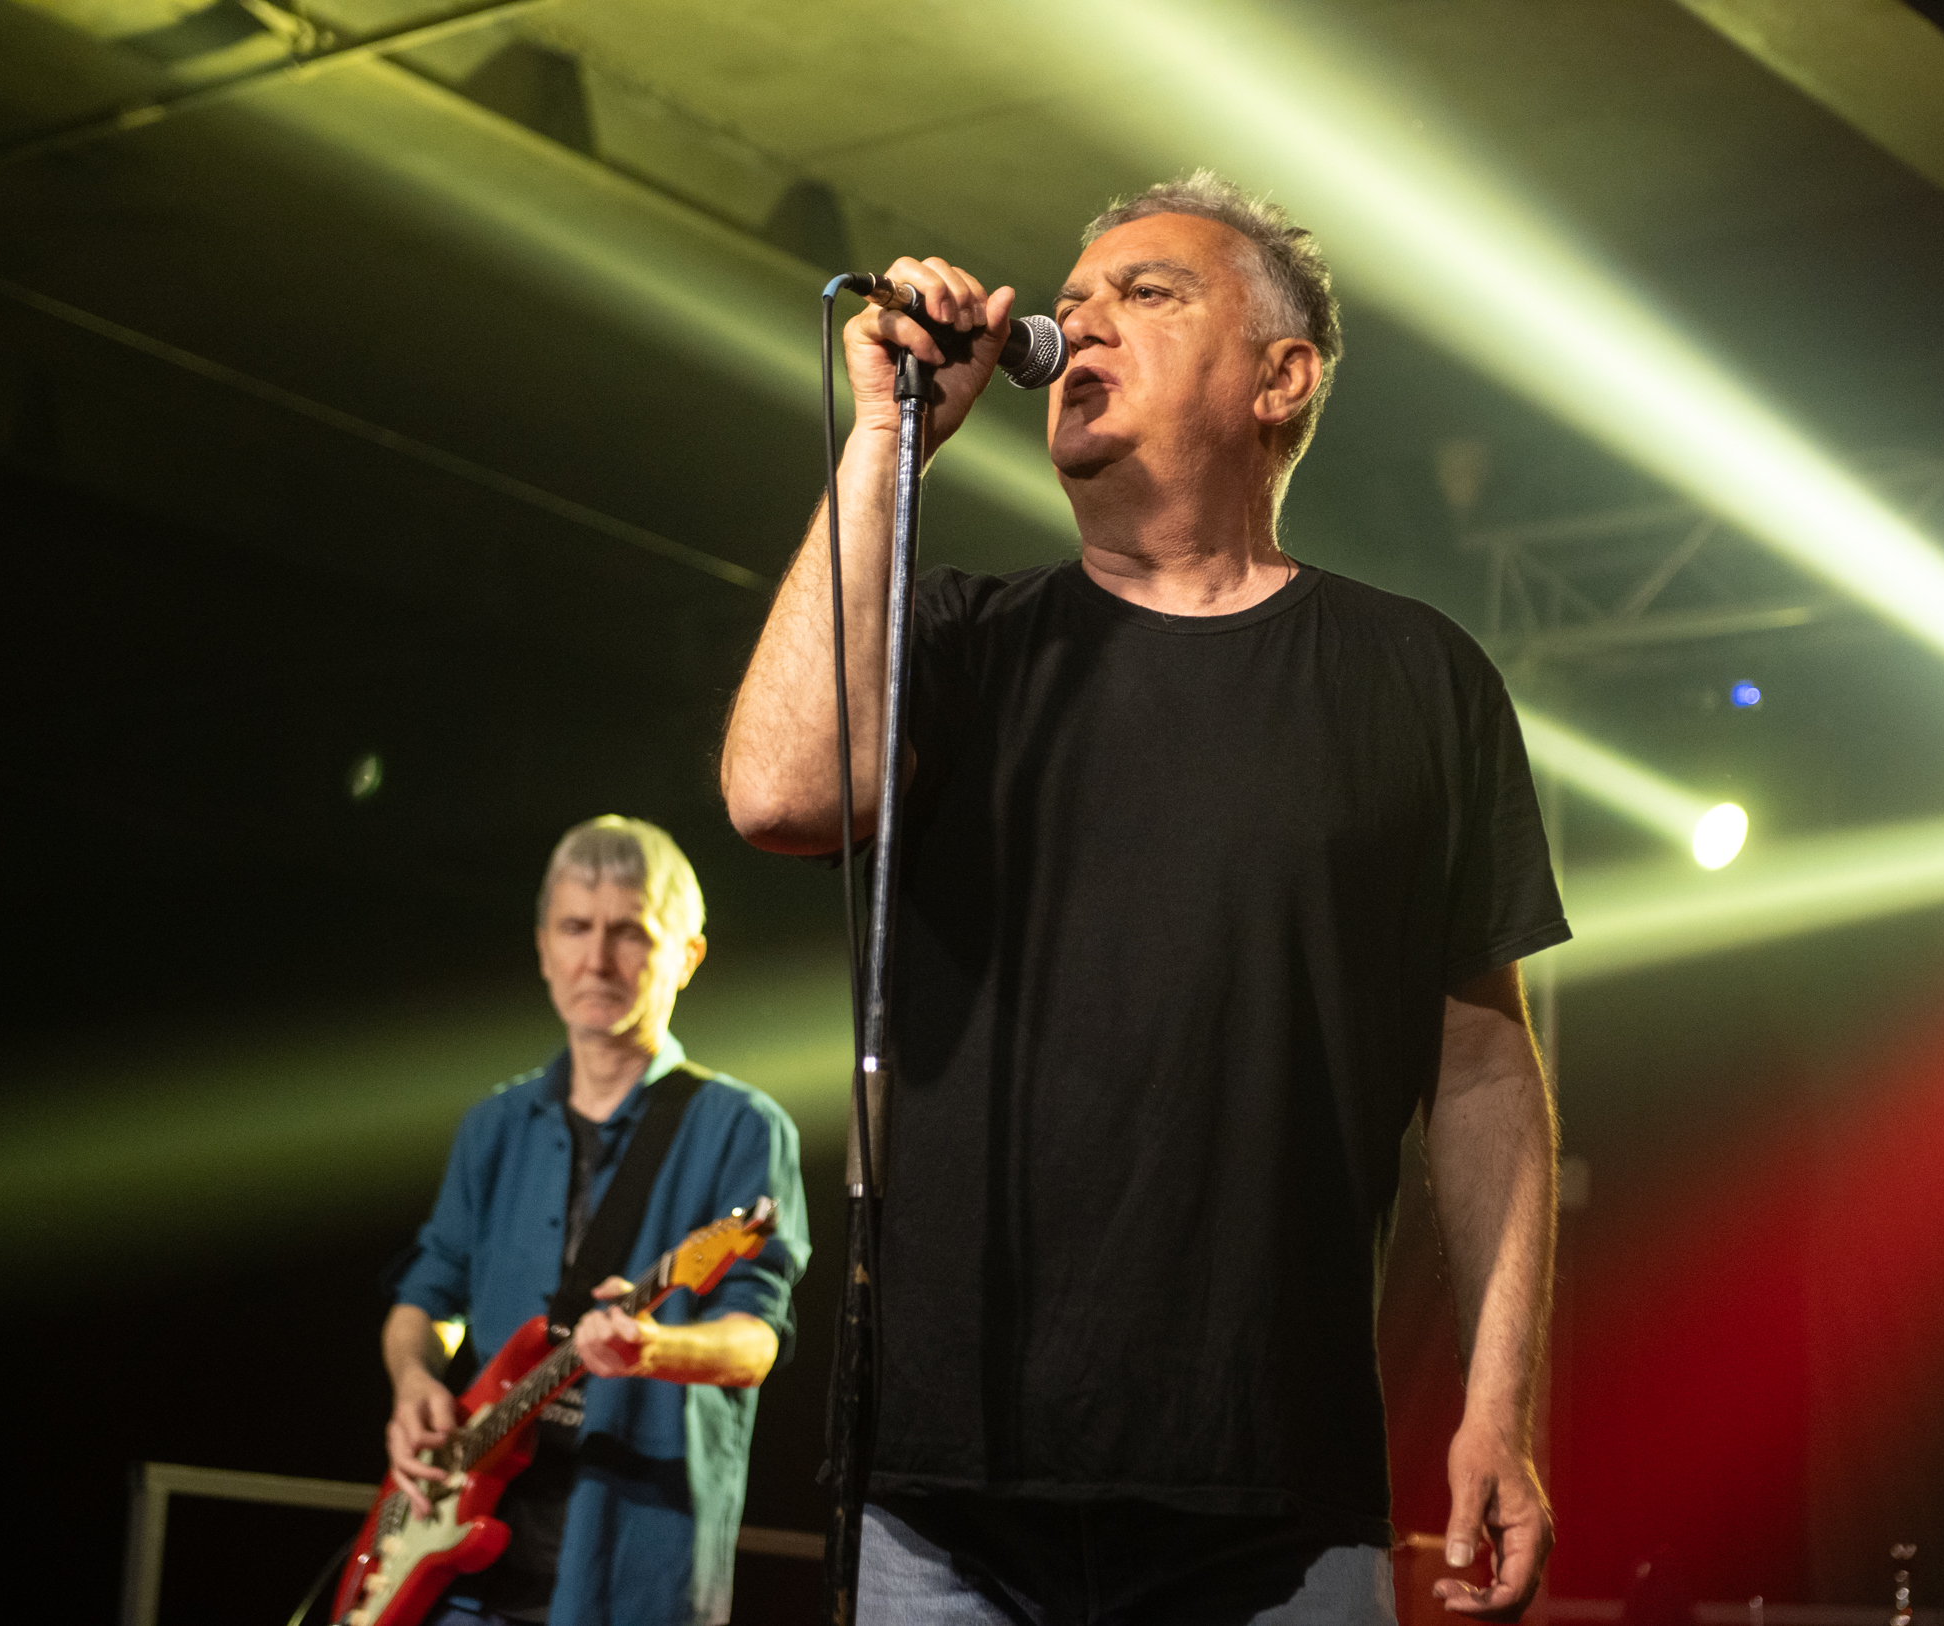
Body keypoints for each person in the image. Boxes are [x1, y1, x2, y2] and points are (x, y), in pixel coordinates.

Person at [720, 171, 1569, 1624]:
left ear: (1279, 379)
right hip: (947, 1504)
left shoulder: (1416, 679)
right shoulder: (964, 638)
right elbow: (778, 795)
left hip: (1273, 1504)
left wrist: (1502, 1407)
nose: (1081, 320)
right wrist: (888, 445)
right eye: (1074, 297)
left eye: (1147, 292)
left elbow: (1485, 1068)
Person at [382, 816, 810, 1626]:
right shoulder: (493, 1126)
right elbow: (428, 1297)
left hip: (633, 1572)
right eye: (575, 928)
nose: (597, 960)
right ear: (543, 947)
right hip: (459, 1576)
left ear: (688, 956)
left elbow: (757, 1341)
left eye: (630, 933)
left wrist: (654, 1349)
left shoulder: (744, 1128)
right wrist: (414, 1385)